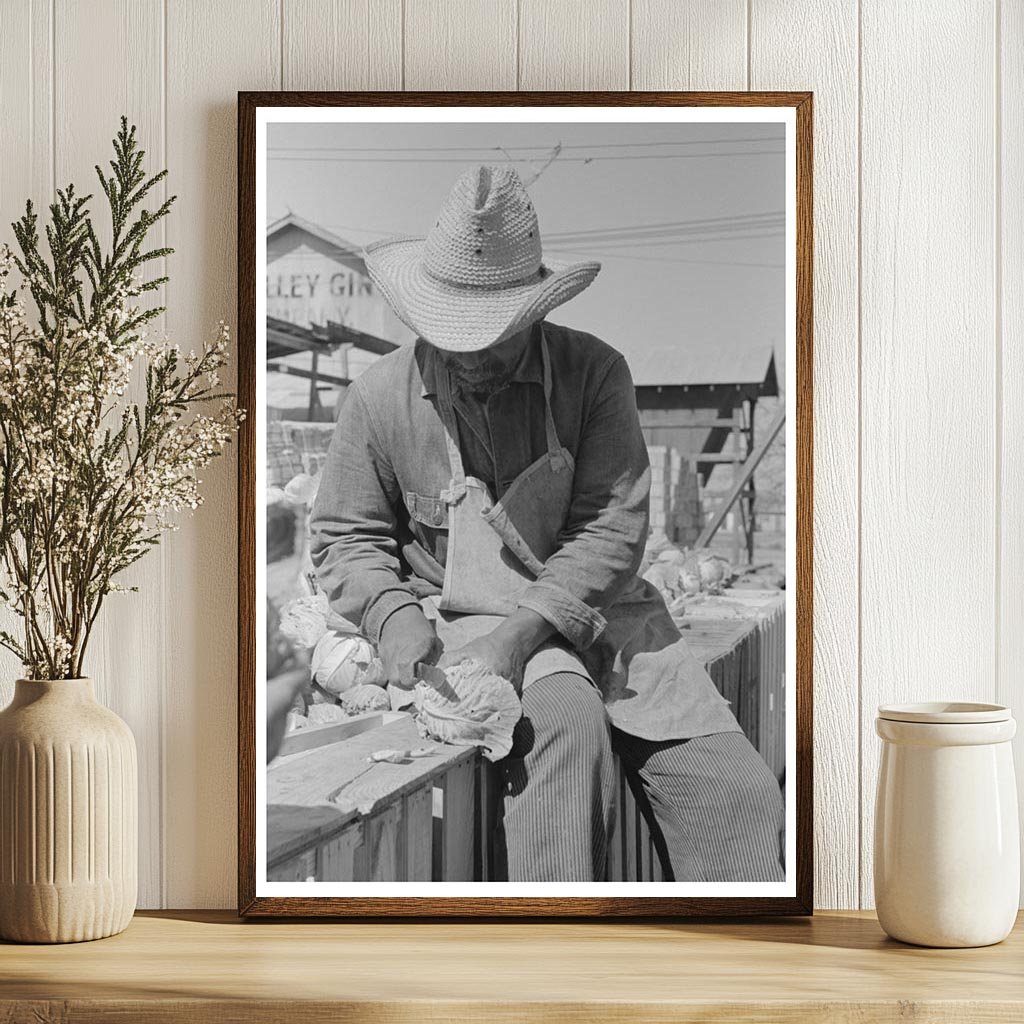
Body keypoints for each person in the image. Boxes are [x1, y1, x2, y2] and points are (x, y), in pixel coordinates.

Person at [309, 164, 783, 882]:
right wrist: (389, 612)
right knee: (562, 720)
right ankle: (557, 967)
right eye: (452, 334)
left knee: (736, 792)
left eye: (491, 337)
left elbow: (612, 532)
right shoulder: (379, 399)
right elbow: (346, 537)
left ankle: (730, 984)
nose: (469, 355)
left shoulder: (595, 375)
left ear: (533, 311)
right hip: (462, 622)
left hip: (610, 616)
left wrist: (522, 633)